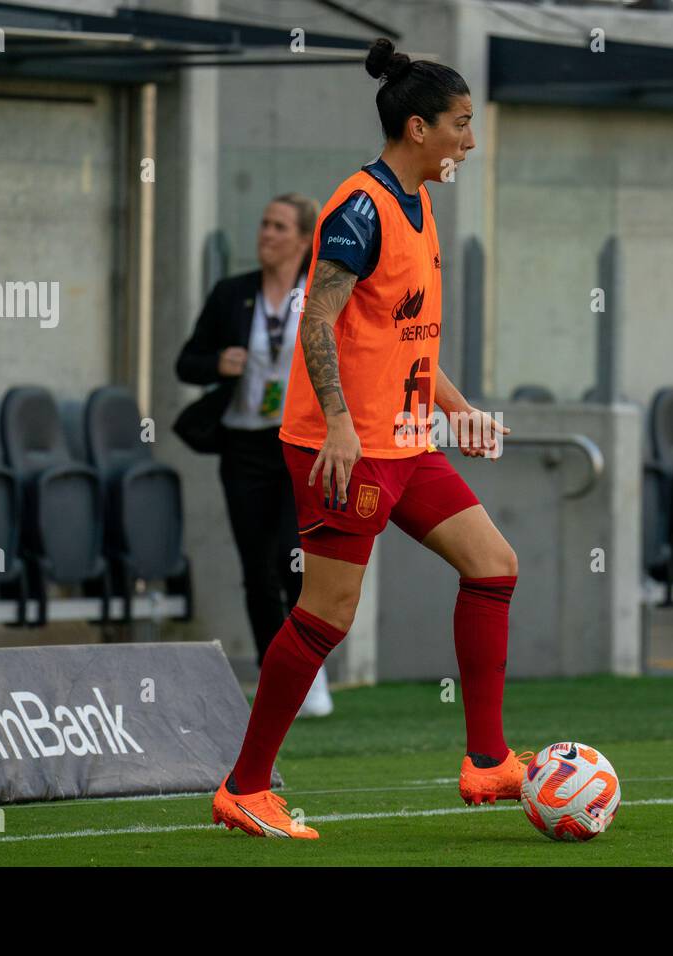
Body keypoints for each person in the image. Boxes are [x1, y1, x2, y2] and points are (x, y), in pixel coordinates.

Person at [212, 37, 527, 840]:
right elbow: (316, 320)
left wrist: (454, 408)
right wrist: (343, 427)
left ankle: (487, 761)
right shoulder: (359, 206)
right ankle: (246, 787)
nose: (470, 140)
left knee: (493, 565)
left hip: (407, 443)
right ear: (417, 128)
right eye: (460, 123)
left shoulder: (419, 203)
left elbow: (405, 336)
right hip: (342, 447)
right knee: (327, 614)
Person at [176, 193, 334, 718]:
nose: (266, 234)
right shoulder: (232, 294)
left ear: (306, 238)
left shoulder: (322, 293)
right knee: (257, 568)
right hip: (244, 445)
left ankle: (308, 671)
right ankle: (276, 674)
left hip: (300, 442)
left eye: (279, 227)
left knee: (295, 558)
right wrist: (219, 362)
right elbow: (187, 363)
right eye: (264, 224)